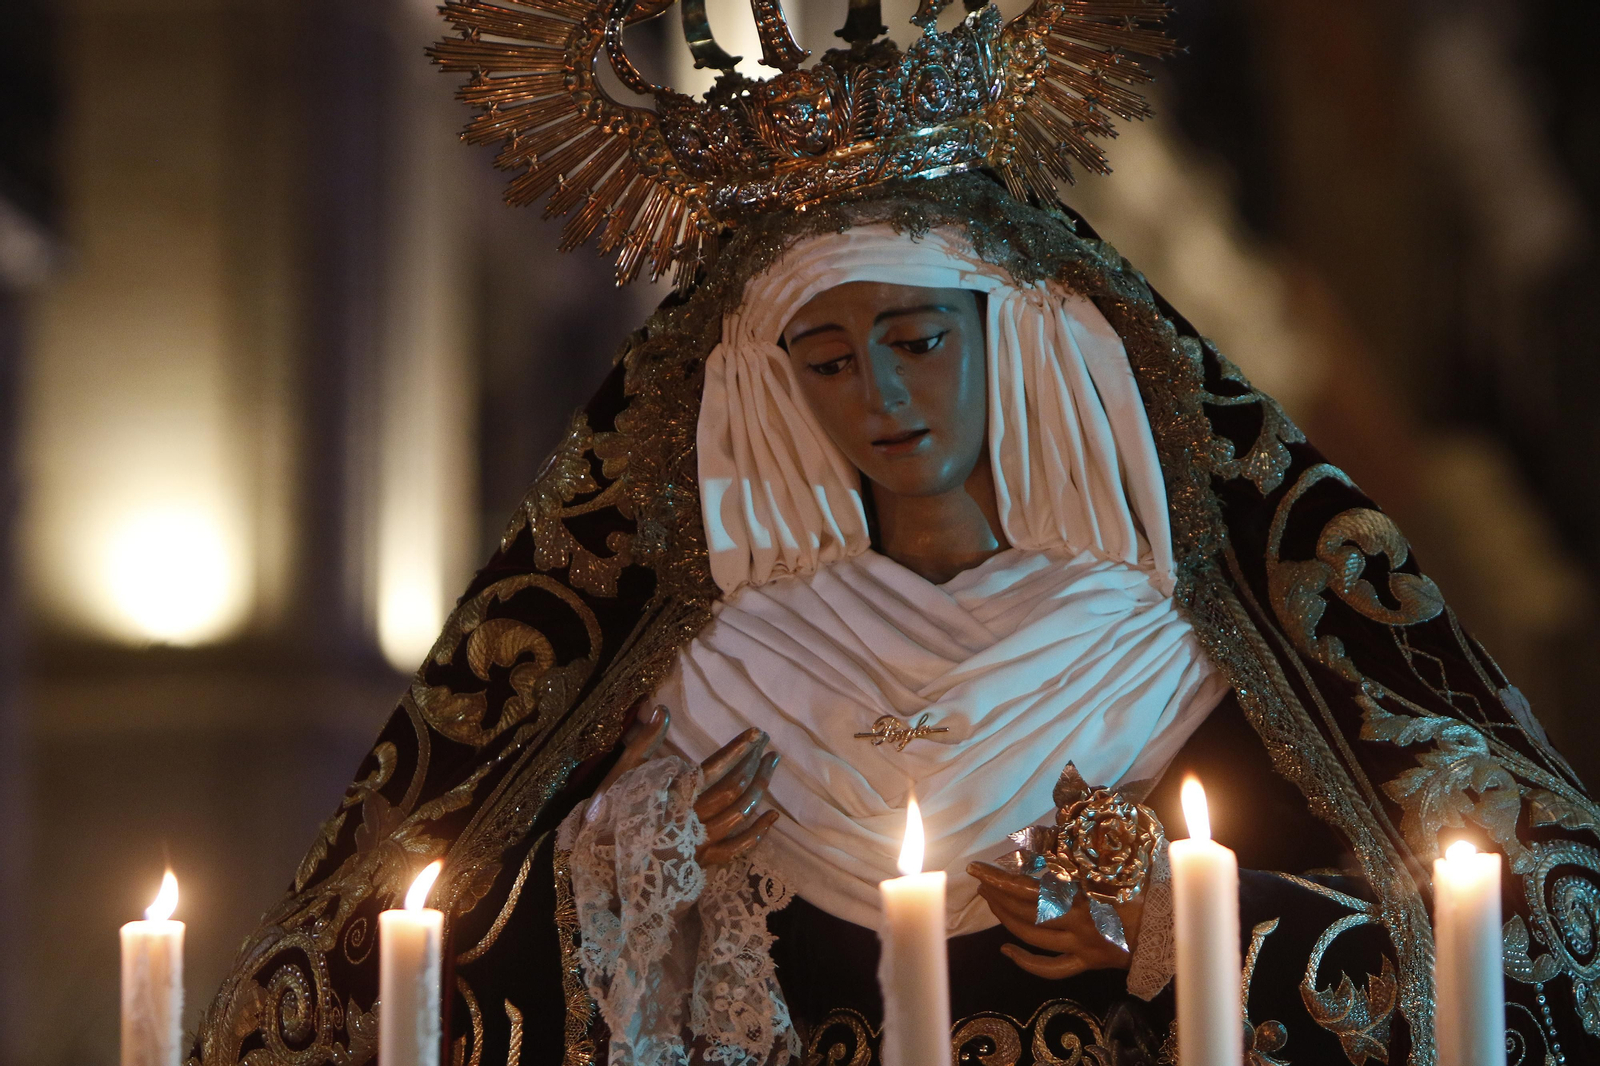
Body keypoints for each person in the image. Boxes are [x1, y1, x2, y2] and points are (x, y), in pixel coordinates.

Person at [189, 3, 1600, 1065]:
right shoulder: (714, 669)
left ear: (1019, 346)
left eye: (920, 339)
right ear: (766, 384)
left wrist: (1170, 916)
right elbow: (425, 969)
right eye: (824, 358)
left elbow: (1478, 938)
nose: (877, 395)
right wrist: (639, 852)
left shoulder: (1166, 647)